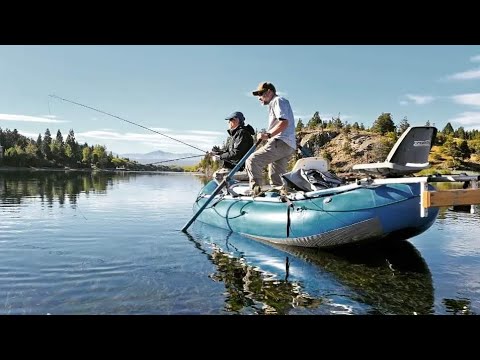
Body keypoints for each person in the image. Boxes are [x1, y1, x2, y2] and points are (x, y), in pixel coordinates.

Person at [245, 82, 296, 194]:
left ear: (269, 92)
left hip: (280, 141)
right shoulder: (280, 102)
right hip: (288, 145)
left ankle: (256, 192)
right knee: (276, 178)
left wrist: (268, 135)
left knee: (252, 161)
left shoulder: (277, 101)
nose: (259, 98)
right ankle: (279, 197)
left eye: (261, 94)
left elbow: (284, 123)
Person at [210, 111, 255, 177]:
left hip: (240, 168)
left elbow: (237, 153)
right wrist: (218, 153)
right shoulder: (236, 134)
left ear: (237, 120)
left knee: (217, 175)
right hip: (235, 167)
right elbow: (229, 152)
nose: (228, 122)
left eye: (230, 120)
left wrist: (220, 157)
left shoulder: (242, 133)